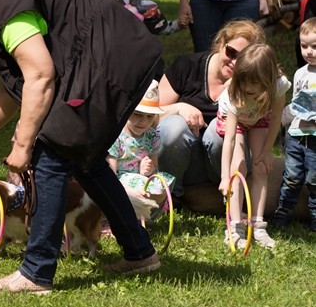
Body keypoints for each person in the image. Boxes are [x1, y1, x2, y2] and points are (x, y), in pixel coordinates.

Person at [0, 0, 163, 294]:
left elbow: (40, 76)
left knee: (49, 150)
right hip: (123, 58)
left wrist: (24, 145)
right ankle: (140, 253)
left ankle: (36, 271)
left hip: (106, 66)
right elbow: (16, 87)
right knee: (85, 162)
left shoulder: (6, 7)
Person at [157, 19, 265, 199]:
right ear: (221, 42)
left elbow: (260, 133)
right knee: (173, 127)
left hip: (227, 163)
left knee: (219, 128)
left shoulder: (253, 85)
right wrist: (179, 107)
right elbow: (148, 115)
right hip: (182, 162)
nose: (234, 62)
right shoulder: (186, 66)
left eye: (243, 59)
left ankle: (230, 196)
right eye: (231, 52)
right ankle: (170, 196)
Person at [216, 44, 290, 249]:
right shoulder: (235, 92)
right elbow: (230, 139)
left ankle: (258, 225)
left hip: (259, 119)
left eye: (254, 82)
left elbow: (276, 118)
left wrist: (267, 151)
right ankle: (234, 227)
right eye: (244, 81)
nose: (247, 87)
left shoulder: (279, 85)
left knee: (260, 167)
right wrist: (224, 176)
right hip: (236, 121)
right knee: (238, 168)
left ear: (267, 78)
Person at [270, 18, 316, 231]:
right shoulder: (300, 73)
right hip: (296, 135)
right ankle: (283, 212)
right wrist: (279, 121)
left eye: (314, 46)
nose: (309, 51)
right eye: (304, 45)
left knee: (313, 180)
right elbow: (294, 104)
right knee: (291, 176)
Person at [107, 80, 175, 210]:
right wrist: (127, 190)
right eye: (137, 114)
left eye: (150, 116)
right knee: (136, 187)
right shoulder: (116, 136)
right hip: (118, 182)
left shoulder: (152, 136)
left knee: (161, 184)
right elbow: (110, 174)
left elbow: (155, 166)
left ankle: (142, 215)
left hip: (141, 180)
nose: (143, 122)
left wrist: (148, 169)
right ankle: (112, 217)